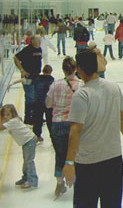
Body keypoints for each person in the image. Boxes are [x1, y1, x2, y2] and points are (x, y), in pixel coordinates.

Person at [62, 49, 123, 207]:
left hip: (88, 163)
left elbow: (75, 131)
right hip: (113, 160)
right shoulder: (113, 87)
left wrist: (69, 162)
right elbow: (122, 118)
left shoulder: (82, 95)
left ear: (79, 69)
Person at [46, 57, 83, 198]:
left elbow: (48, 104)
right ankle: (78, 181)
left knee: (60, 155)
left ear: (63, 69)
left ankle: (60, 183)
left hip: (58, 123)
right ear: (75, 69)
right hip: (75, 123)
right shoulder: (81, 84)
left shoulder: (56, 85)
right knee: (76, 154)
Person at [0, 104, 38, 189]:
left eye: (8, 114)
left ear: (13, 114)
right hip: (26, 142)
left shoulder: (13, 121)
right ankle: (25, 178)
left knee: (29, 161)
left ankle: (32, 181)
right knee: (26, 161)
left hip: (29, 141)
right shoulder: (11, 121)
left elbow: (1, 127)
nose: (6, 117)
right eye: (4, 115)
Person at [14, 35, 42, 125]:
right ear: (32, 41)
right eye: (38, 40)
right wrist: (22, 70)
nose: (40, 42)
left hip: (37, 76)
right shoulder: (27, 50)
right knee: (30, 97)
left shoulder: (39, 49)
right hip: (28, 77)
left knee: (35, 97)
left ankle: (34, 116)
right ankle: (28, 117)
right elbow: (16, 58)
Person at [32, 64, 55, 143]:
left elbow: (27, 81)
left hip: (37, 102)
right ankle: (53, 137)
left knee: (37, 120)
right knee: (50, 121)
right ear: (51, 71)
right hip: (48, 103)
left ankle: (37, 136)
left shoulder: (37, 78)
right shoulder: (51, 79)